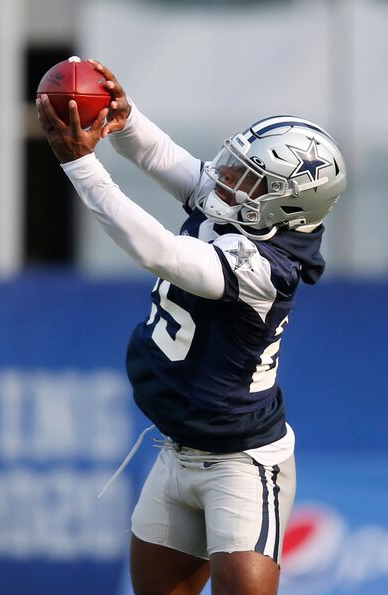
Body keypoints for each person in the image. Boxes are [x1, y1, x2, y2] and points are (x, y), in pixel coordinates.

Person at [37, 59, 346, 595]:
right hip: (176, 449)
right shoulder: (246, 207)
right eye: (236, 166)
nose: (227, 179)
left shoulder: (265, 268)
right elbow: (164, 157)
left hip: (243, 465)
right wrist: (124, 118)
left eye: (249, 179)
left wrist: (81, 166)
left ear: (287, 205)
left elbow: (158, 251)